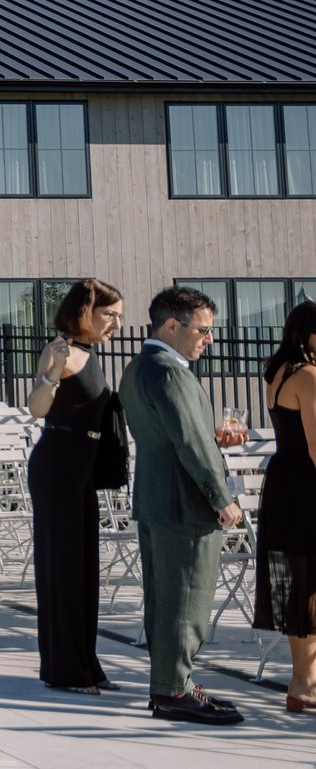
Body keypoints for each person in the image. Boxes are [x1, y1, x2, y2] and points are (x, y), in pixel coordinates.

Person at [123, 286, 245, 724]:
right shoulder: (169, 372)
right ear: (172, 326)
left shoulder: (139, 367)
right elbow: (189, 443)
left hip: (159, 499)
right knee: (186, 602)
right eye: (203, 330)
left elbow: (178, 435)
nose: (209, 339)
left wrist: (213, 438)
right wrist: (221, 497)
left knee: (166, 599)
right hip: (185, 503)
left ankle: (173, 684)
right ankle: (174, 690)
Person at [25, 277, 126, 693]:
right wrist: (52, 372)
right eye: (110, 315)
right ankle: (65, 670)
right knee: (63, 569)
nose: (117, 324)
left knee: (83, 570)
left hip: (81, 469)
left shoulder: (90, 353)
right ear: (86, 312)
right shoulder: (60, 350)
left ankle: (86, 663)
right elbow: (36, 409)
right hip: (58, 465)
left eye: (119, 316)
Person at [255, 302, 316, 712]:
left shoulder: (278, 372)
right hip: (308, 485)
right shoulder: (308, 376)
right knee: (310, 581)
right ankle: (306, 683)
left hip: (284, 481)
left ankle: (303, 682)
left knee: (300, 580)